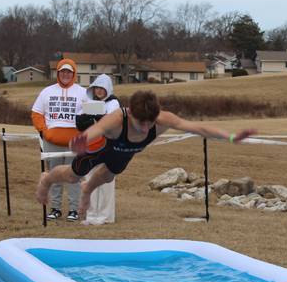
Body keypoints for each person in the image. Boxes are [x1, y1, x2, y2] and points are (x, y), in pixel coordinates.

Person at [36, 90, 257, 216]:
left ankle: (87, 190)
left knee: (108, 175)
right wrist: (83, 140)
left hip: (123, 154)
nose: (144, 128)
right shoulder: (118, 119)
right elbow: (98, 129)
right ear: (130, 112)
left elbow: (198, 128)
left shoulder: (162, 119)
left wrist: (230, 137)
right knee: (73, 175)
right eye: (140, 122)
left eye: (149, 123)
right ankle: (47, 179)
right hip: (102, 148)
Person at [31, 59, 88, 222]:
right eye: (62, 71)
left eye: (69, 72)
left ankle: (74, 209)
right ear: (58, 73)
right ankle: (55, 208)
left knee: (74, 176)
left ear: (74, 73)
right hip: (52, 141)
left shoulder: (83, 93)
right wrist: (43, 130)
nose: (65, 74)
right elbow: (36, 113)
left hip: (75, 142)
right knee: (54, 175)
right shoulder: (47, 91)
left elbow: (93, 114)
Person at [77, 74, 120, 225]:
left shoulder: (114, 103)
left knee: (106, 183)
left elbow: (111, 124)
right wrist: (93, 118)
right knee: (90, 181)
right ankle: (92, 215)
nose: (99, 91)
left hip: (108, 148)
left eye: (102, 88)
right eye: (97, 88)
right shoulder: (88, 102)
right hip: (91, 147)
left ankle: (105, 216)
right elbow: (80, 122)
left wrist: (96, 118)